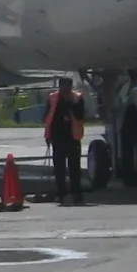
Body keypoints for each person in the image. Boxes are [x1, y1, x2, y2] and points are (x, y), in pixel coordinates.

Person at [43, 76, 87, 204]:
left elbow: (81, 116)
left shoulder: (77, 98)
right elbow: (47, 118)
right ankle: (61, 193)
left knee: (74, 167)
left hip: (73, 137)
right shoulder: (53, 98)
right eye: (62, 87)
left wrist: (71, 104)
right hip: (58, 137)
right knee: (59, 168)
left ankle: (76, 193)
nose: (65, 90)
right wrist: (48, 136)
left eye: (67, 87)